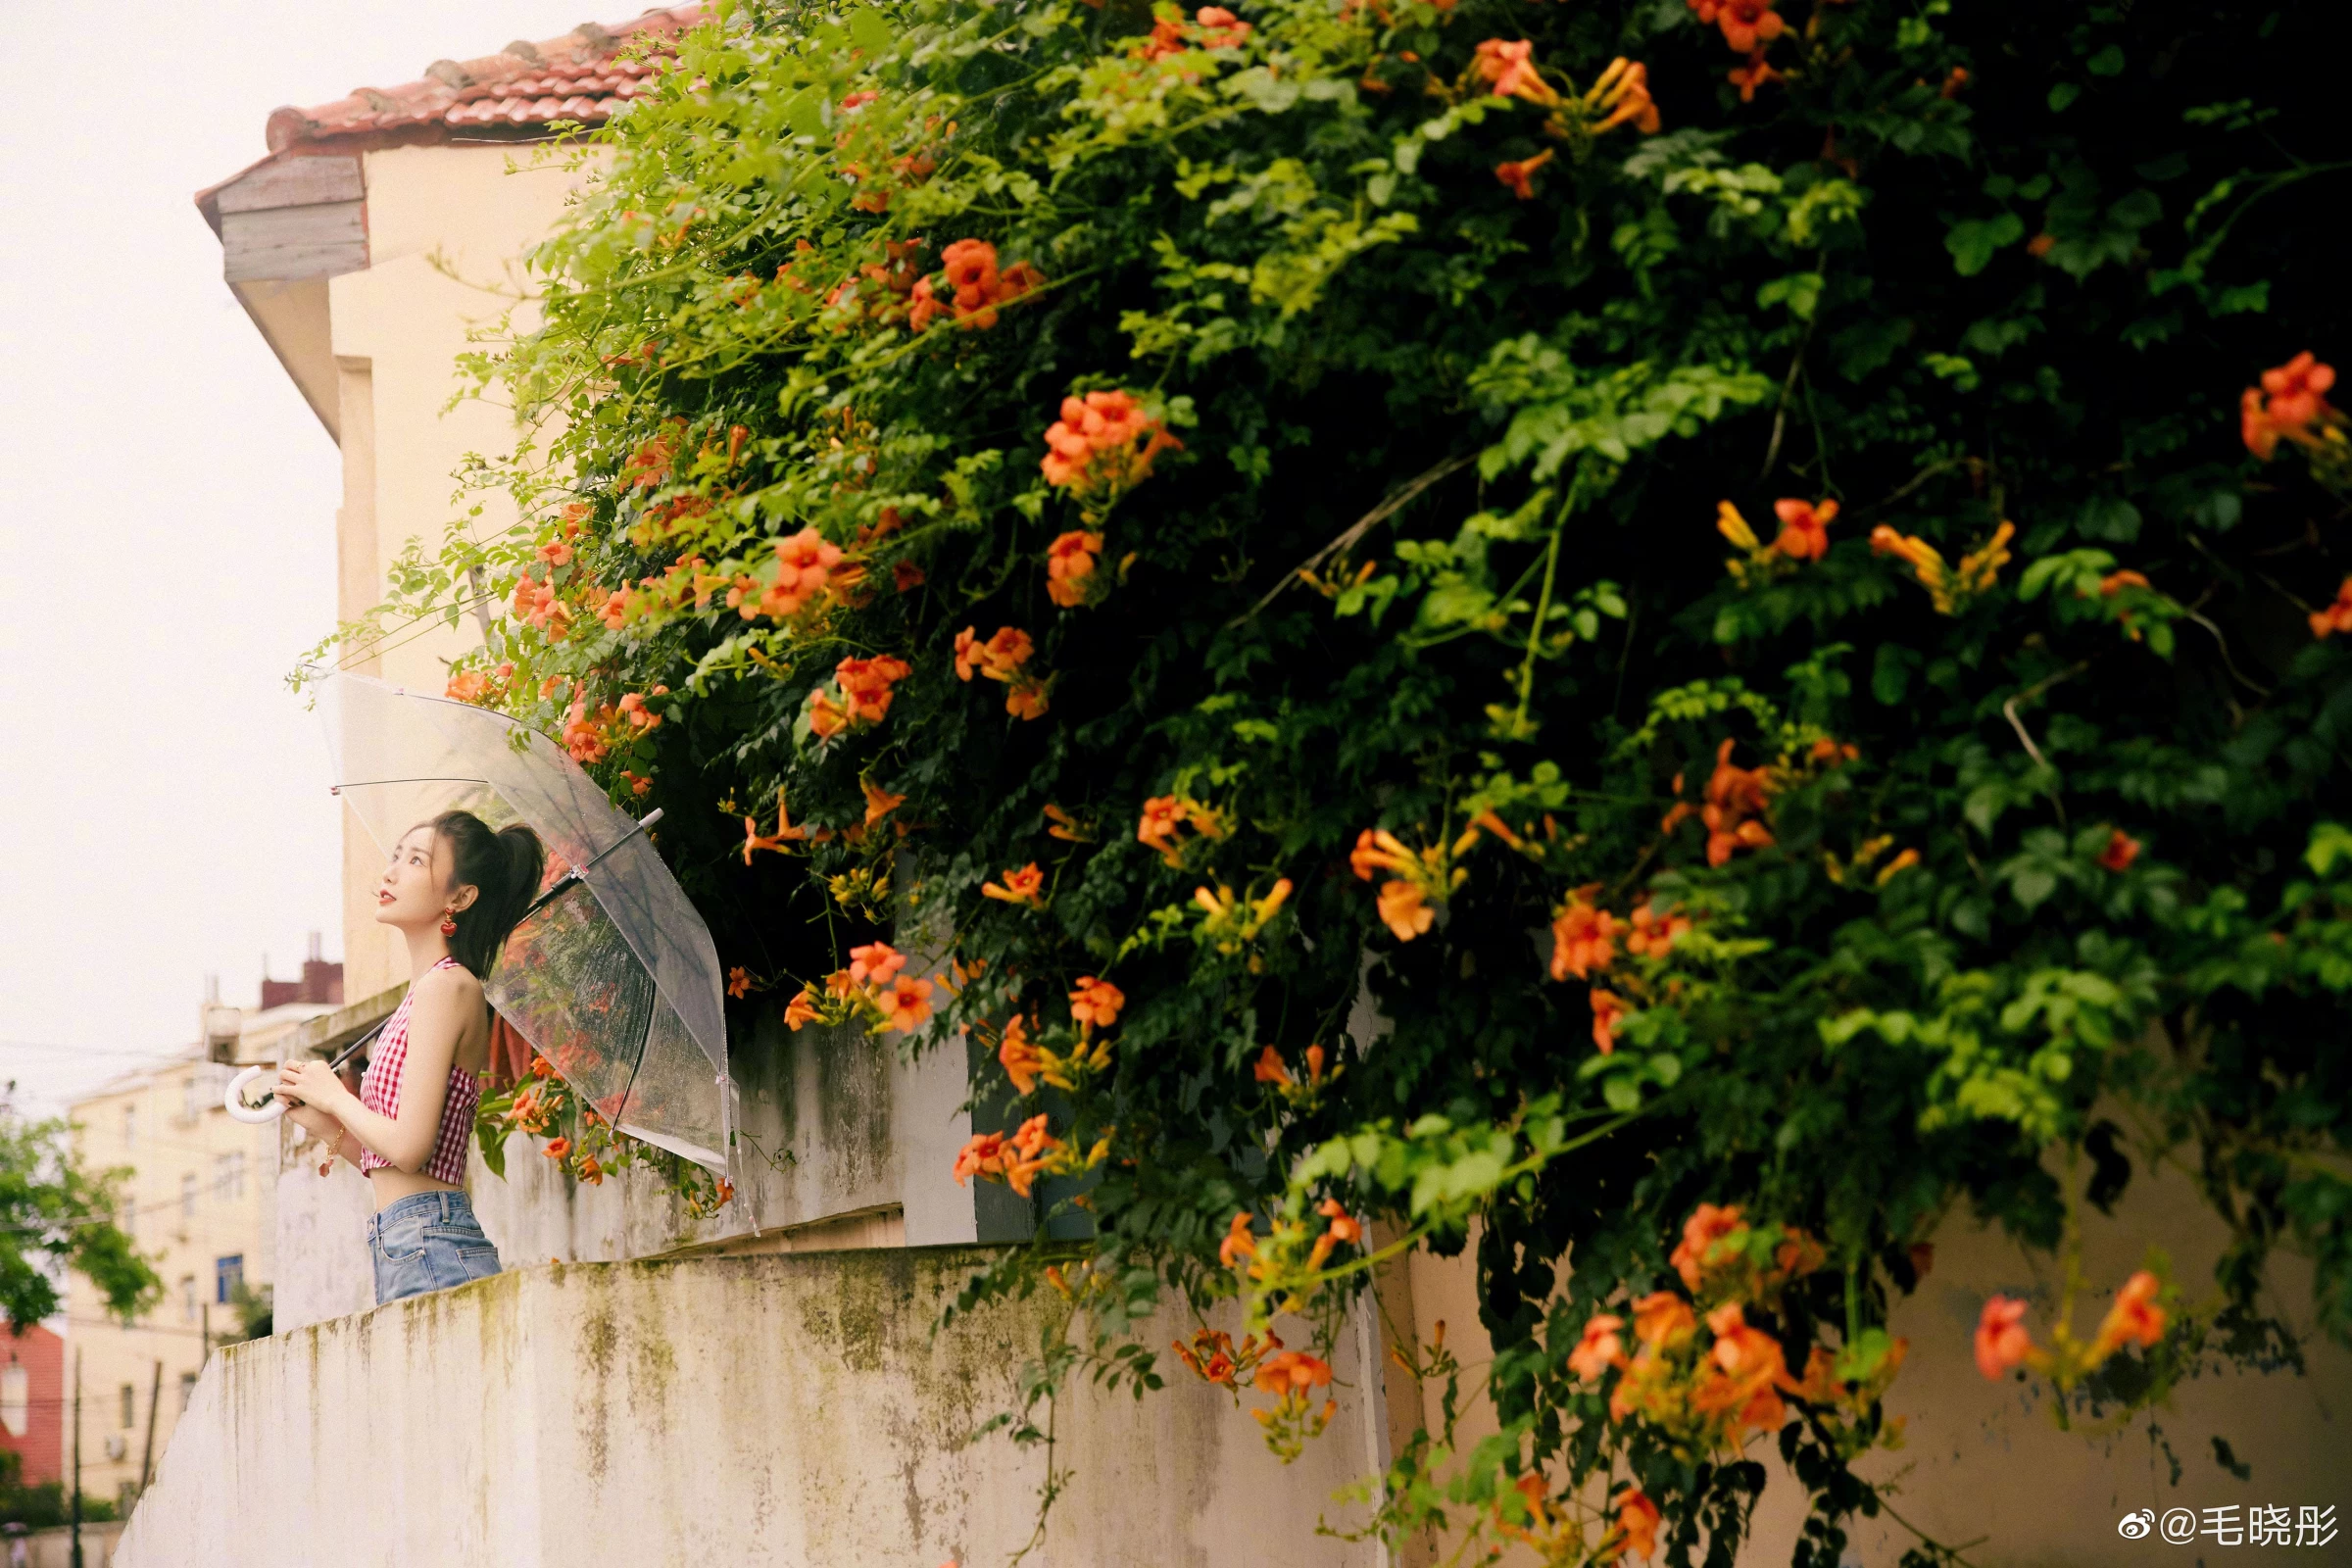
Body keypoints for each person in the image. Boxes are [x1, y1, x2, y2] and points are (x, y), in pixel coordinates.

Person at [277, 809, 544, 1305]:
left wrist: (336, 1096)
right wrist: (320, 1120)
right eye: (396, 855)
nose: (391, 871)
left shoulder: (449, 987)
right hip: (404, 1241)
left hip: (430, 1243)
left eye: (416, 861)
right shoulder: (422, 993)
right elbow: (392, 1163)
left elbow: (410, 1149)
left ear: (459, 897)